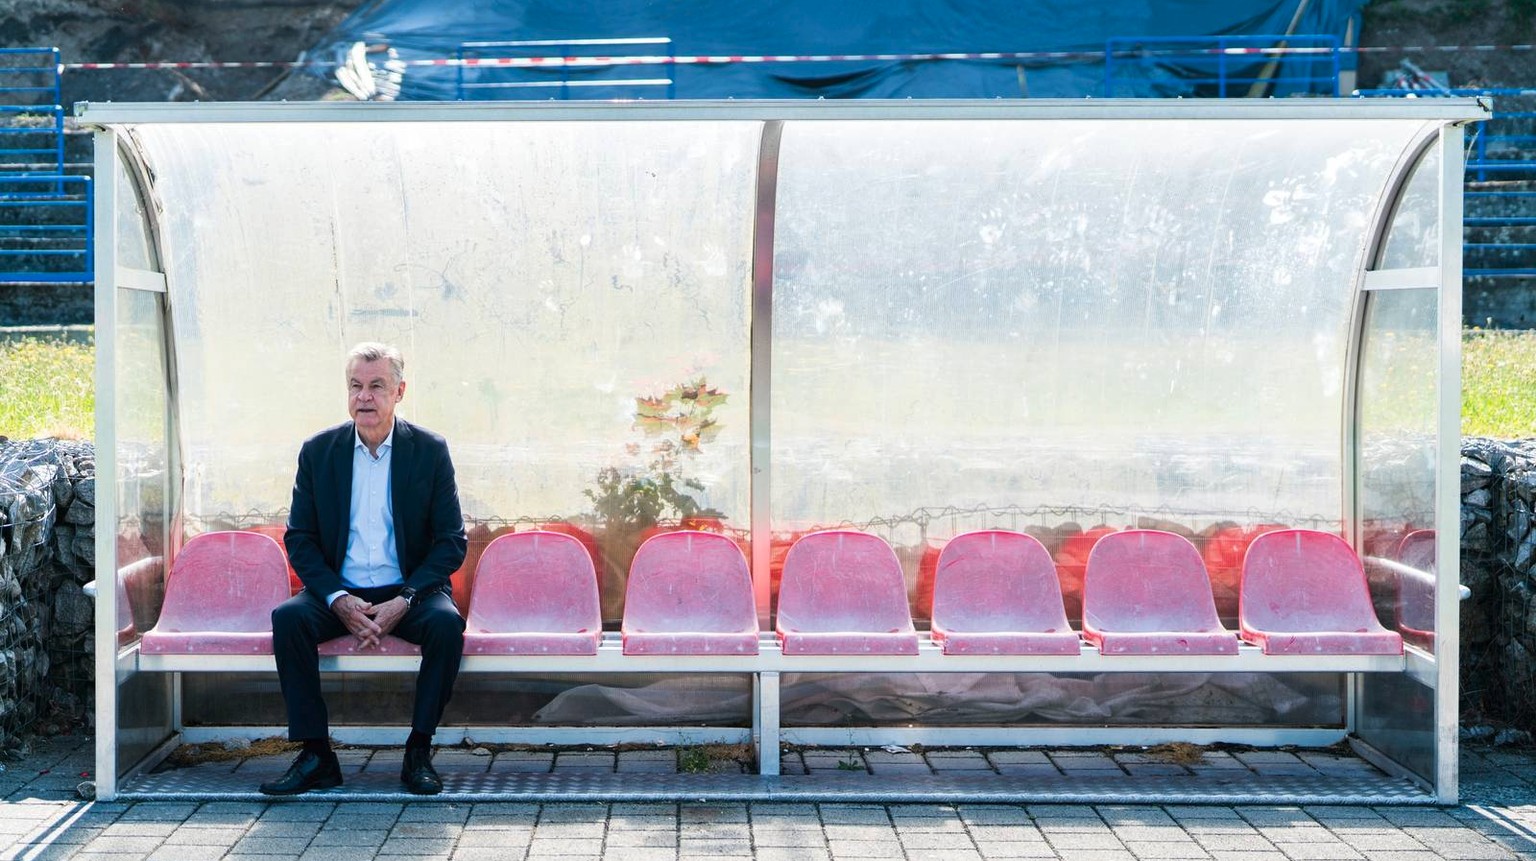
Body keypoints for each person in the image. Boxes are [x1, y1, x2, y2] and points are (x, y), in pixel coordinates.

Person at [260, 342, 468, 796]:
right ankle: (317, 754)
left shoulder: (429, 451)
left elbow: (451, 542)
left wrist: (406, 599)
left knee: (446, 626)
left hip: (409, 589)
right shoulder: (320, 451)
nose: (364, 397)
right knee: (289, 619)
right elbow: (301, 539)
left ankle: (418, 750)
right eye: (356, 386)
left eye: (376, 386)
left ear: (399, 392)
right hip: (340, 588)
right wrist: (337, 598)